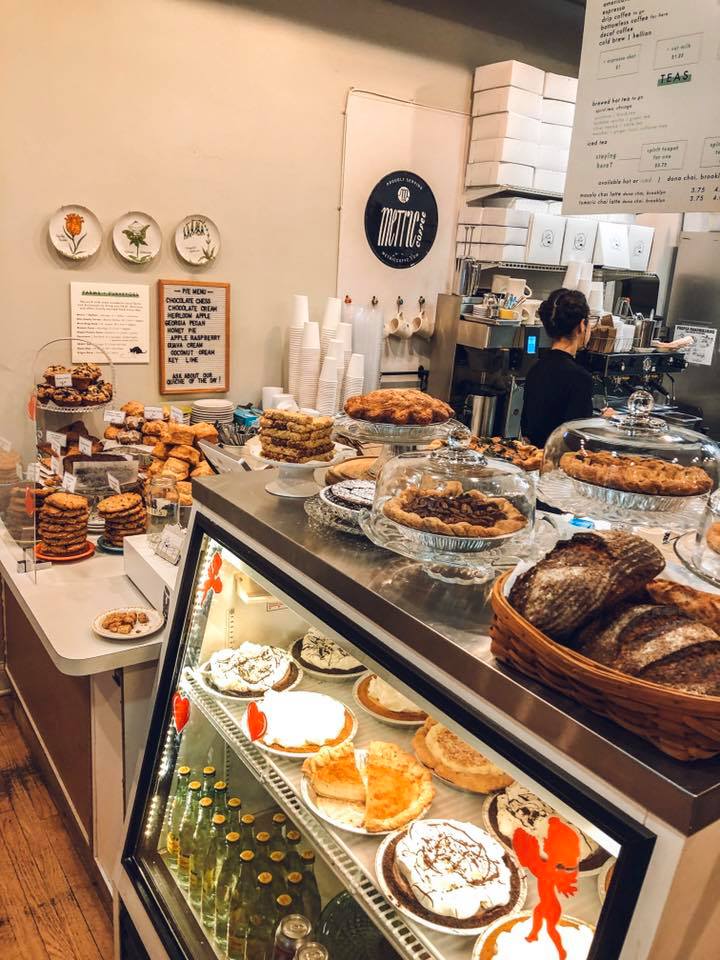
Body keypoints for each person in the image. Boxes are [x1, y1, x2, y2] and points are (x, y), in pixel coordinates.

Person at [521, 288, 606, 448]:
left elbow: (527, 429)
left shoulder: (536, 368)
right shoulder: (580, 378)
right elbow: (577, 441)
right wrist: (604, 422)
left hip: (534, 456)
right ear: (581, 326)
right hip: (559, 460)